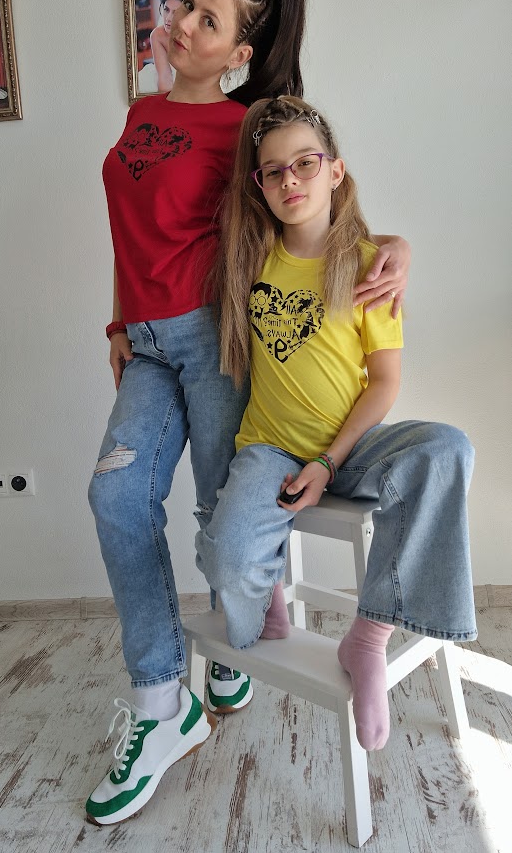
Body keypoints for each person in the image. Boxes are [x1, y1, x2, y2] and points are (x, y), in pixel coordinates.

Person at [86, 0, 411, 826]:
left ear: (237, 55)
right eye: (185, 5)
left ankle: (218, 660)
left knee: (215, 508)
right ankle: (165, 698)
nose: (182, 22)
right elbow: (129, 233)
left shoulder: (241, 128)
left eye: (208, 19)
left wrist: (393, 245)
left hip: (214, 337)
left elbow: (307, 202)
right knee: (115, 496)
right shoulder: (142, 112)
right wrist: (117, 322)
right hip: (145, 343)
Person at [195, 95, 477, 756]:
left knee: (446, 448)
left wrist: (327, 462)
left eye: (305, 163)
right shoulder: (249, 260)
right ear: (259, 186)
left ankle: (369, 636)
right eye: (272, 171)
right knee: (228, 565)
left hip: (352, 448)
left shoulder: (370, 266)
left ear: (335, 170)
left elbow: (384, 383)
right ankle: (263, 581)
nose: (289, 180)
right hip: (269, 449)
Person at [138, 0, 191, 94]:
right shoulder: (157, 35)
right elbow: (164, 78)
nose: (168, 18)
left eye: (175, 12)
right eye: (166, 9)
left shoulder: (196, 37)